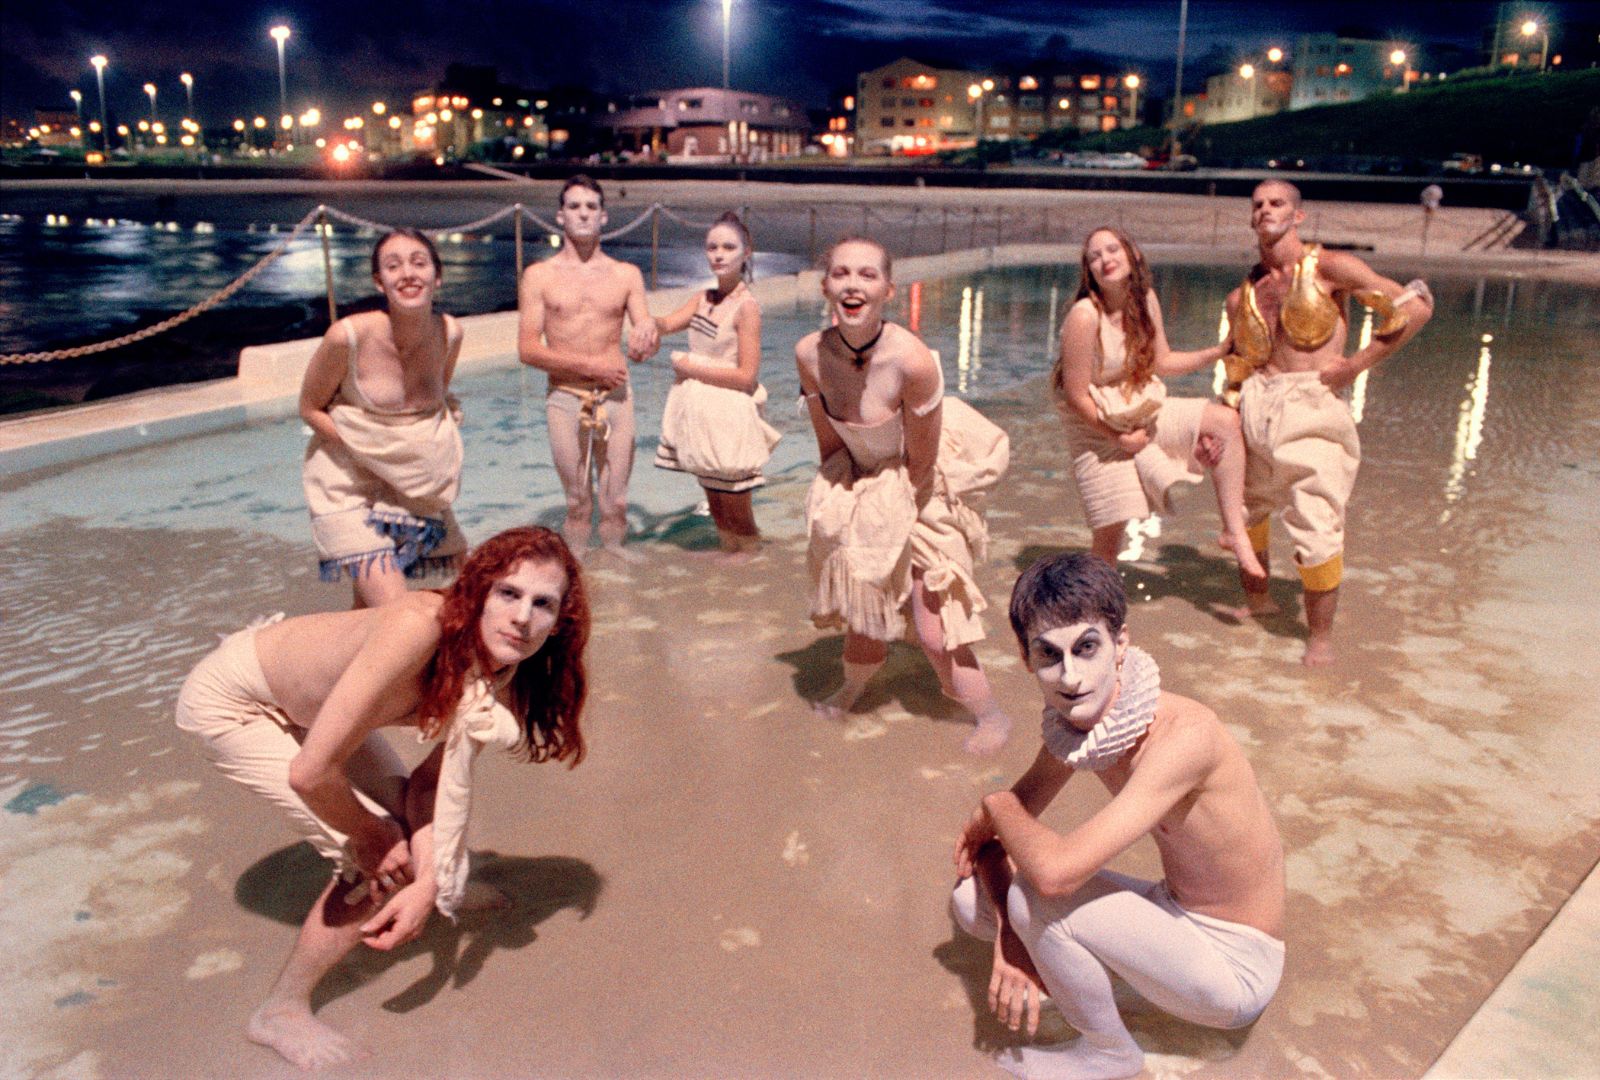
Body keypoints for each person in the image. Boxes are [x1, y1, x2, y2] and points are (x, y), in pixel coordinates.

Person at [175, 526, 588, 1070]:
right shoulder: (419, 629)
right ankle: (280, 1011)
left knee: (409, 840)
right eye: (508, 594)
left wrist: (433, 880)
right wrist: (372, 839)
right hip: (237, 702)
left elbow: (429, 786)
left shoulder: (506, 662)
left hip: (309, 709)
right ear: (479, 590)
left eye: (543, 604)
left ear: (559, 622)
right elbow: (310, 773)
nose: (522, 617)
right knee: (381, 862)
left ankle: (432, 886)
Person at [952, 552, 1285, 1080]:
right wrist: (1010, 942)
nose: (1071, 676)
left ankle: (1109, 1053)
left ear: (1121, 643)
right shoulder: (1083, 722)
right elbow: (988, 850)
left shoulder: (1184, 737)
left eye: (1087, 648)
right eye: (1049, 655)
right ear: (1024, 657)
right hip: (1174, 916)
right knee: (970, 904)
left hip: (1234, 967)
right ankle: (1074, 980)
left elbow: (1050, 870)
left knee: (1037, 891)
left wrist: (994, 802)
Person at [796, 237, 1013, 754]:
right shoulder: (810, 353)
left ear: (889, 290)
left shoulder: (912, 361)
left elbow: (921, 464)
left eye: (868, 275)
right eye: (842, 273)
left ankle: (992, 715)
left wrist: (883, 531)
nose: (853, 284)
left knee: (935, 629)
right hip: (862, 474)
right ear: (825, 285)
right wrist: (843, 502)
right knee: (861, 600)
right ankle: (855, 684)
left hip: (921, 479)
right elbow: (828, 438)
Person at [1223, 180, 1433, 665]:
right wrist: (1224, 423)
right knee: (1248, 510)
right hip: (1257, 403)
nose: (1265, 210)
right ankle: (1258, 600)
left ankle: (1319, 637)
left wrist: (1357, 364)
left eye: (1276, 203)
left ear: (1297, 216)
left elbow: (1416, 306)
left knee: (1316, 520)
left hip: (1312, 402)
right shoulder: (1242, 297)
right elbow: (1237, 365)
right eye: (1257, 204)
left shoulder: (1329, 268)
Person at [1053, 228, 1263, 579]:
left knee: (1224, 421)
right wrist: (1117, 438)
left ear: (1132, 254)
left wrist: (1218, 352)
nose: (1105, 260)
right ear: (1088, 270)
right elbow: (1075, 397)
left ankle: (1234, 531)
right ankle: (1099, 614)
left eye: (1112, 250)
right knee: (1109, 538)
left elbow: (1161, 362)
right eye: (1095, 256)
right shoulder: (1085, 316)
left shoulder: (1145, 299)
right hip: (1094, 426)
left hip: (1135, 407)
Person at [299, 228, 466, 607]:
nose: (407, 273)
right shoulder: (348, 337)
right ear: (379, 281)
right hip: (347, 485)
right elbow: (309, 409)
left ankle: (337, 665)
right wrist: (372, 448)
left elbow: (431, 412)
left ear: (437, 277)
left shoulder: (450, 334)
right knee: (397, 611)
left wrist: (410, 457)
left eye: (418, 263)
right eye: (393, 266)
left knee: (462, 589)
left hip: (413, 487)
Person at [517, 175, 659, 558]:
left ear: (604, 217)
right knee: (578, 503)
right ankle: (579, 577)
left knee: (616, 503)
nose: (583, 214)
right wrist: (590, 367)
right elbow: (527, 349)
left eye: (591, 207)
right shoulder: (539, 276)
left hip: (616, 397)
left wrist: (648, 338)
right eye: (574, 206)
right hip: (565, 397)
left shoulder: (626, 274)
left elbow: (644, 334)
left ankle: (615, 574)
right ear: (560, 216)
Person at [650, 210, 781, 557]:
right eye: (712, 247)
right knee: (716, 507)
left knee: (738, 508)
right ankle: (730, 565)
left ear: (746, 252)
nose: (719, 255)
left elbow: (746, 375)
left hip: (730, 416)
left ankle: (751, 569)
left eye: (728, 247)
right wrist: (643, 322)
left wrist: (689, 366)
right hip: (700, 416)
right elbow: (666, 323)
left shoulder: (746, 307)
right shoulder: (702, 299)